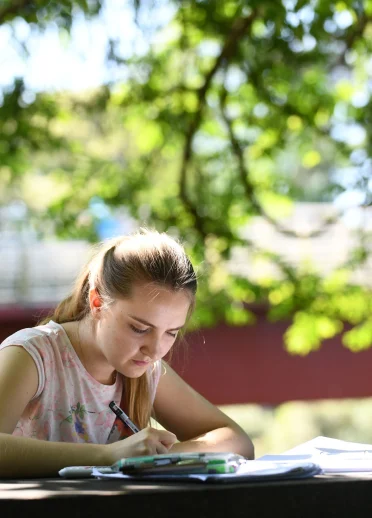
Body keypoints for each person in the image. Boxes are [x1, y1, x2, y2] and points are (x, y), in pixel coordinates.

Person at [0, 228, 254, 478]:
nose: (155, 350)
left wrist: (159, 457)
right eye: (139, 328)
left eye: (171, 332)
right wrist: (109, 456)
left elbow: (237, 441)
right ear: (97, 302)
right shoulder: (33, 355)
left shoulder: (147, 369)